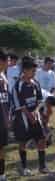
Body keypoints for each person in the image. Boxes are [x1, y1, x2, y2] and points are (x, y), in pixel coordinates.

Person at [12, 57, 51, 175]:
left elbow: (39, 100)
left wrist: (36, 111)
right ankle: (24, 168)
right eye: (32, 71)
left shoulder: (36, 83)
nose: (34, 73)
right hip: (22, 118)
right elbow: (20, 105)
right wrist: (30, 116)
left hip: (35, 116)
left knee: (42, 139)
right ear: (24, 70)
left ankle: (42, 166)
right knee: (22, 142)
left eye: (35, 71)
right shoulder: (18, 85)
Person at [0, 52, 9, 181]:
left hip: (3, 118)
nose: (8, 63)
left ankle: (1, 174)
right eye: (6, 60)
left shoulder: (3, 76)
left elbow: (5, 99)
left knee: (1, 147)